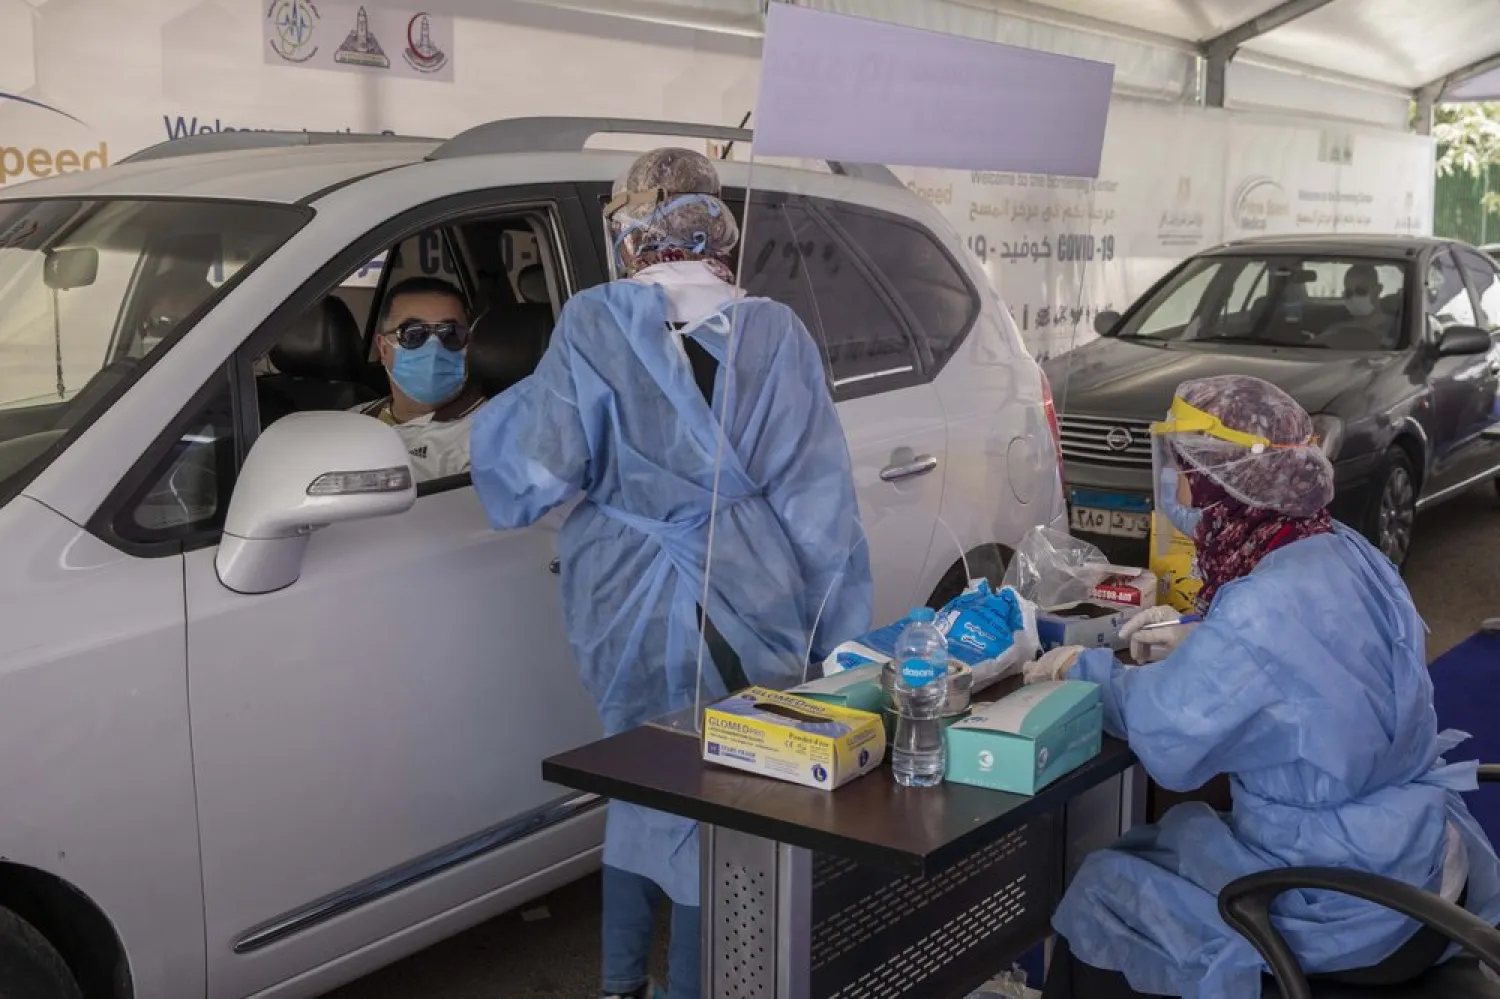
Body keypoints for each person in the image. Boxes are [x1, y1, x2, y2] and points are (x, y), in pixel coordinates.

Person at [468, 147, 873, 999]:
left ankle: (624, 984)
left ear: (629, 231)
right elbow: (820, 508)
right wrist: (840, 648)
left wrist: (485, 424)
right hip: (754, 594)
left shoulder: (593, 322)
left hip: (628, 600)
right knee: (726, 801)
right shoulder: (777, 333)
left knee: (643, 782)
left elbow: (535, 474)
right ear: (716, 225)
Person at [1023, 374, 1500, 998]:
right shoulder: (1345, 548)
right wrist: (1203, 634)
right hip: (1419, 851)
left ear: (1219, 478)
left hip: (1344, 894)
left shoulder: (1261, 608)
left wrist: (1078, 670)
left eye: (1186, 463)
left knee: (1106, 886)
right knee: (1170, 842)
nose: (1178, 481)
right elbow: (1319, 665)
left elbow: (1169, 737)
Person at [358, 276, 483, 481]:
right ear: (383, 348)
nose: (434, 347)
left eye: (450, 333)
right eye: (413, 334)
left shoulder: (489, 435)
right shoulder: (353, 419)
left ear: (468, 344)